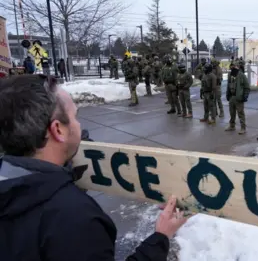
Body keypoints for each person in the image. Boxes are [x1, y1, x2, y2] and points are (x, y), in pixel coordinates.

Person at [0, 74, 188, 261]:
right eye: (75, 116)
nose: (79, 125)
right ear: (58, 130)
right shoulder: (76, 220)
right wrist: (161, 237)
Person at [225, 61, 250, 134]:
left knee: (240, 113)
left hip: (239, 97)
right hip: (231, 97)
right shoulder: (230, 75)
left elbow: (247, 87)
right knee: (231, 113)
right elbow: (228, 85)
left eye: (234, 66)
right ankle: (232, 126)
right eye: (231, 66)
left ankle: (243, 128)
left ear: (237, 66)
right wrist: (227, 95)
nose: (232, 67)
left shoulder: (242, 75)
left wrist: (245, 96)